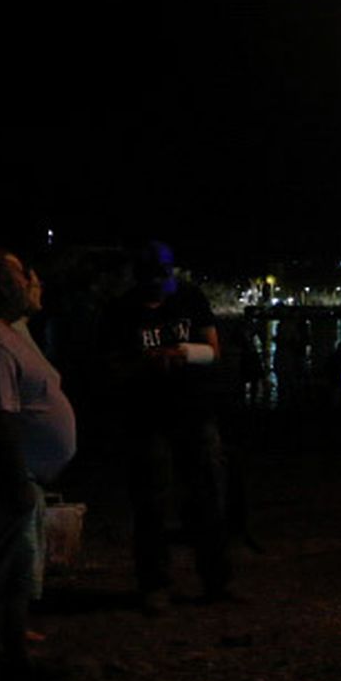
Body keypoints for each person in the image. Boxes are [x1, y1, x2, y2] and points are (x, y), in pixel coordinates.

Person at [0, 248, 77, 681]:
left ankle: (12, 665)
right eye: (22, 274)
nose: (32, 280)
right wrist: (15, 481)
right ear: (3, 285)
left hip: (17, 476)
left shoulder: (7, 334)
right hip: (3, 480)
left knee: (13, 582)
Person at [104, 241, 228, 612]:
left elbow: (213, 350)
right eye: (151, 271)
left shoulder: (191, 298)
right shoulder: (120, 312)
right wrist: (146, 364)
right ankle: (155, 583)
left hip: (195, 412)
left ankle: (216, 580)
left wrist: (180, 354)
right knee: (151, 501)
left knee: (208, 496)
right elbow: (110, 367)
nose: (159, 279)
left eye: (163, 271)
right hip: (147, 417)